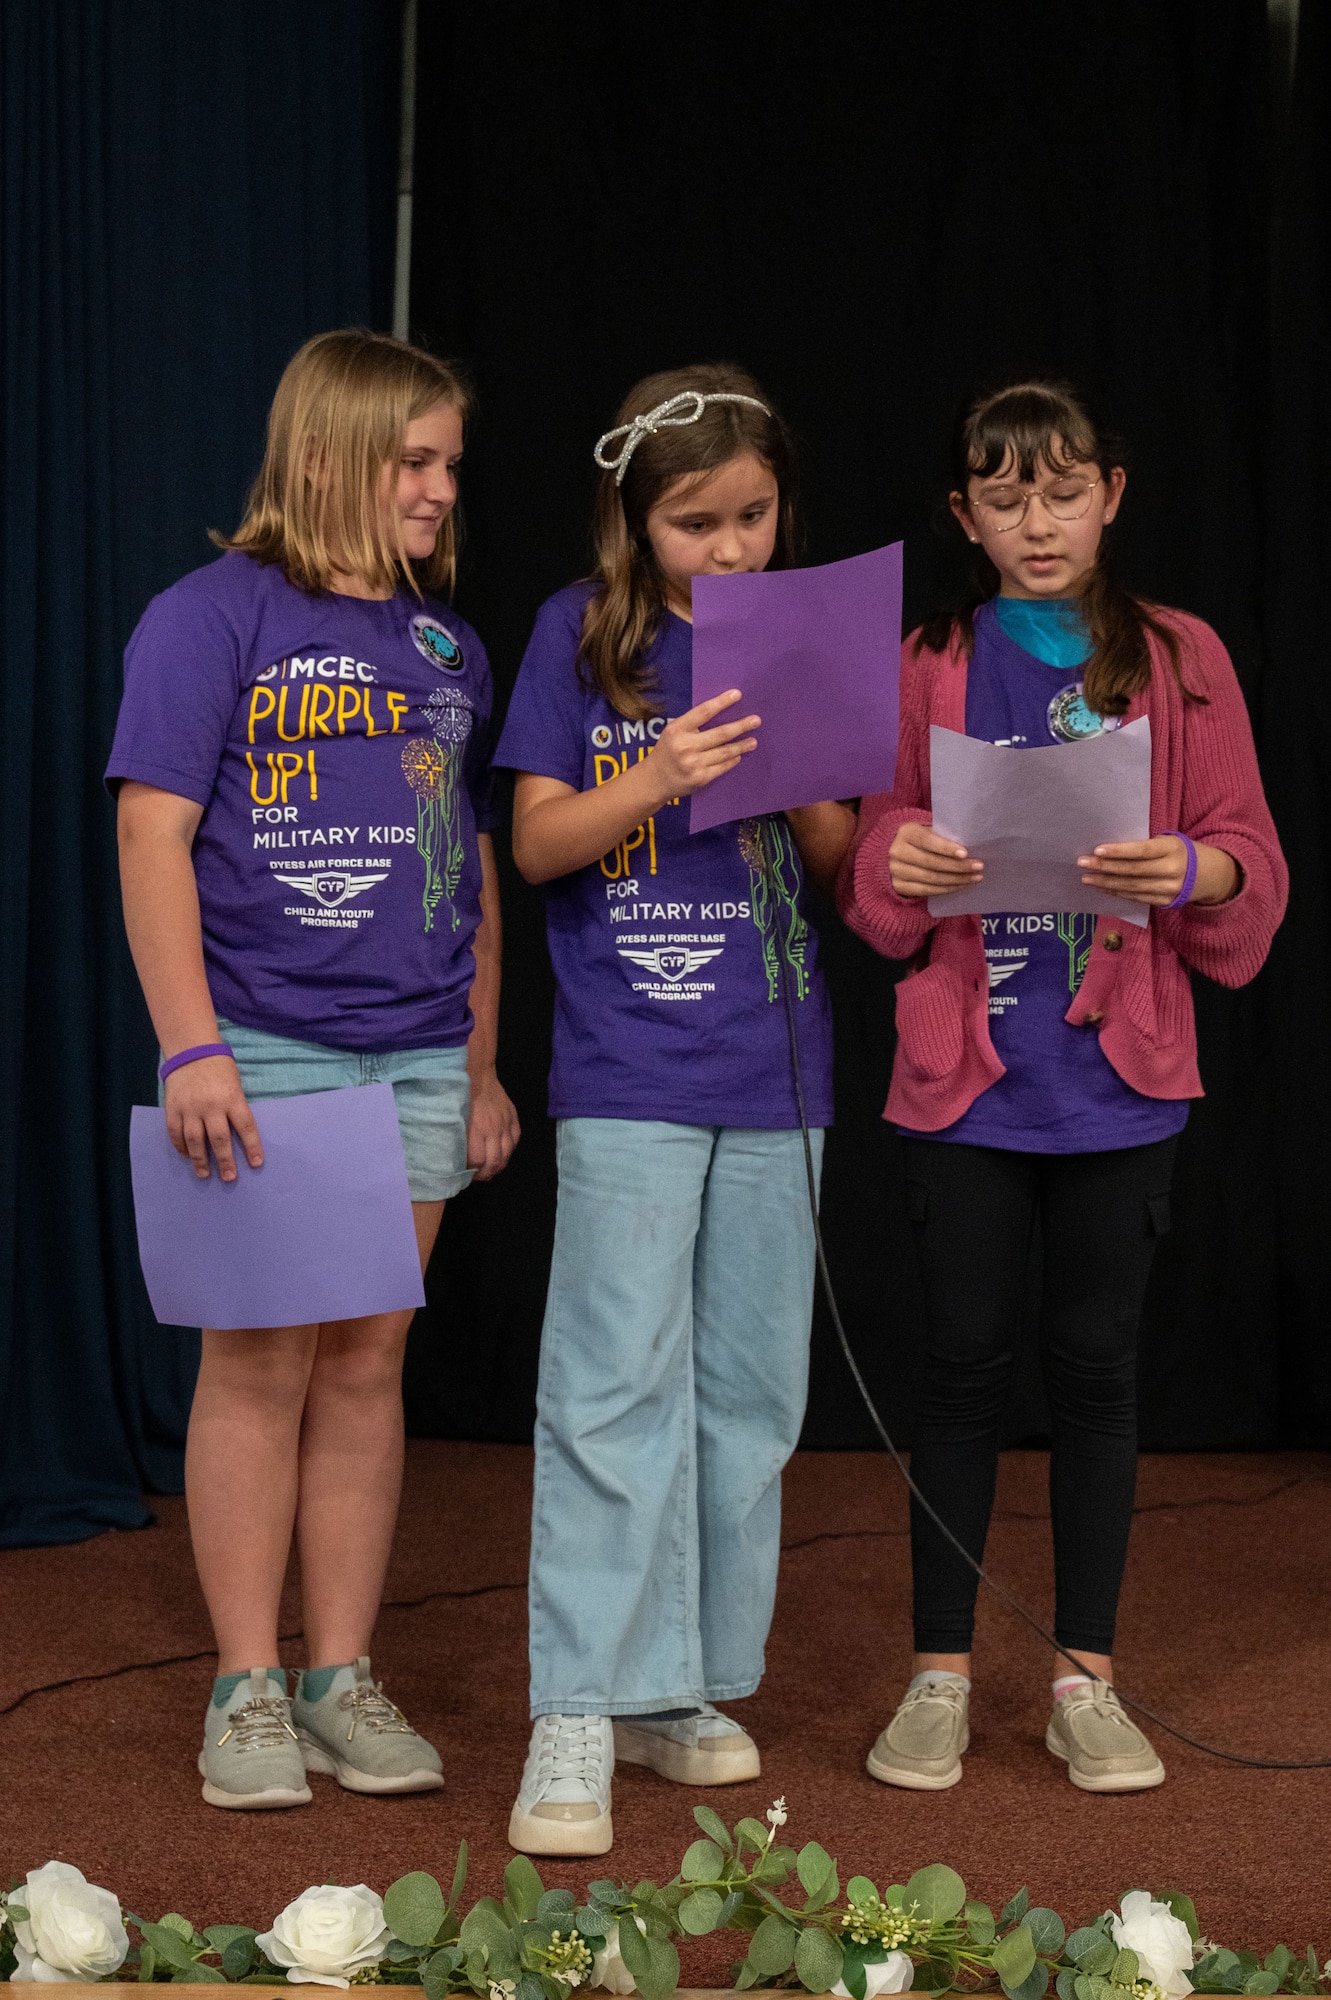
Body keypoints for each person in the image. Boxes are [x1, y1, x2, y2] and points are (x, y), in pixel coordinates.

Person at [838, 379, 1287, 1793]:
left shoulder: (1178, 654)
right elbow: (876, 858)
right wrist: (895, 854)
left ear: (1114, 496)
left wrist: (1193, 868)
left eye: (1064, 490)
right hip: (968, 1083)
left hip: (1118, 1077)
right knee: (959, 1373)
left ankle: (1087, 1678)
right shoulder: (928, 659)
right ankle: (939, 1677)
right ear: (964, 515)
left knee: (1098, 1377)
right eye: (1006, 496)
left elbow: (1249, 858)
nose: (1039, 522)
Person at [107, 328, 519, 1809]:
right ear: (332, 453)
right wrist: (193, 1045)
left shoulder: (443, 644)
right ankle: (247, 1688)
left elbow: (465, 861)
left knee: (367, 1362)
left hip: (413, 1052)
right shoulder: (210, 618)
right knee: (260, 1359)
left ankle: (341, 1675)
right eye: (416, 461)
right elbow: (150, 831)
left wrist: (477, 1063)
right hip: (264, 1045)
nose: (438, 490)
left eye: (449, 464)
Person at [493, 364, 855, 1854]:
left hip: (777, 1073)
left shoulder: (800, 633)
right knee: (611, 1383)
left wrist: (798, 765)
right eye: (695, 522)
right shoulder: (574, 641)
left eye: (754, 516)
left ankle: (679, 1689)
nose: (732, 548)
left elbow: (837, 856)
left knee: (749, 1394)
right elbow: (533, 846)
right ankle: (575, 1702)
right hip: (632, 1069)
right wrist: (654, 773)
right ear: (634, 524)